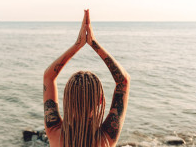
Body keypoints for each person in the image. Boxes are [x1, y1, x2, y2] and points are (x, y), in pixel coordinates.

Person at [43, 10, 130, 147]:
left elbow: (48, 77)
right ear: (100, 100)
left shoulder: (55, 132)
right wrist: (93, 43)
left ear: (67, 98)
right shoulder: (107, 138)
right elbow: (123, 81)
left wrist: (77, 44)